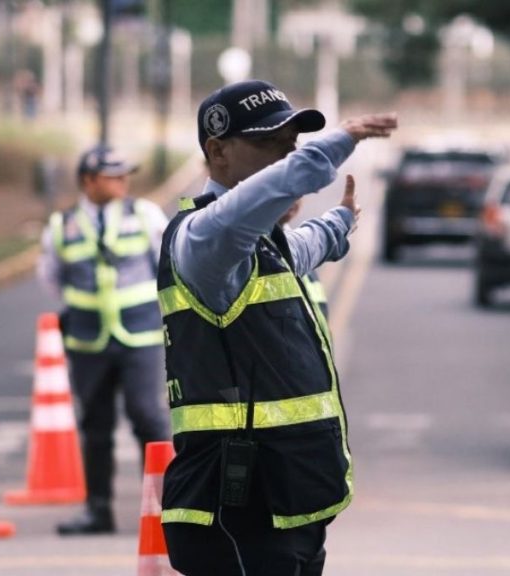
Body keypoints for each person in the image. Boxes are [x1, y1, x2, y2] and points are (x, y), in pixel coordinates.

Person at [157, 79, 397, 575]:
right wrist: (337, 143)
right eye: (269, 144)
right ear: (217, 151)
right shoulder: (205, 239)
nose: (287, 155)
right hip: (236, 509)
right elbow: (272, 194)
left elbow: (304, 246)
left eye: (292, 145)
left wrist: (340, 223)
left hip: (288, 505)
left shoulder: (265, 243)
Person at [37, 144, 171, 535]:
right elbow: (50, 277)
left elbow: (166, 263)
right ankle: (98, 510)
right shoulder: (61, 226)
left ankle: (172, 508)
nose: (123, 182)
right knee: (95, 425)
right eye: (113, 176)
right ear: (88, 181)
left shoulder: (144, 215)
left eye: (125, 174)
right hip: (88, 341)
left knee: (147, 415)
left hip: (140, 337)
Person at [279, 199, 330, 333]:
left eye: (299, 191)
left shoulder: (302, 251)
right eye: (284, 189)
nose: (293, 198)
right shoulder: (253, 252)